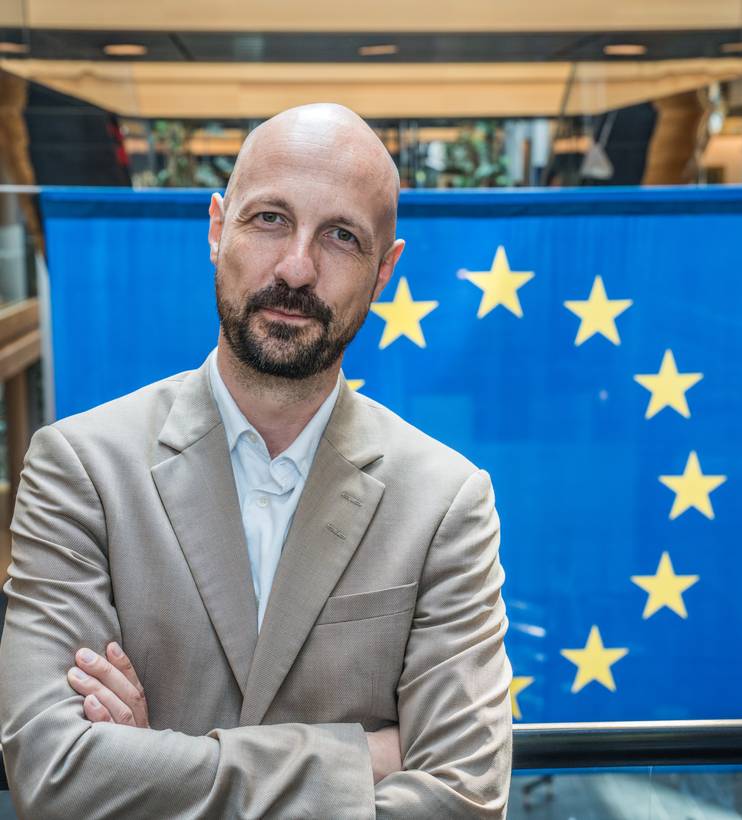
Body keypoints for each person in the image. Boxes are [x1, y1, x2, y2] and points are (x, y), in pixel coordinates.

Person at [0, 103, 512, 818]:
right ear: (218, 229)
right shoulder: (80, 469)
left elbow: (463, 799)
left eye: (341, 236)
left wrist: (150, 762)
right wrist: (358, 759)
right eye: (270, 219)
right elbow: (55, 773)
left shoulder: (445, 501)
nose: (297, 268)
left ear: (384, 272)